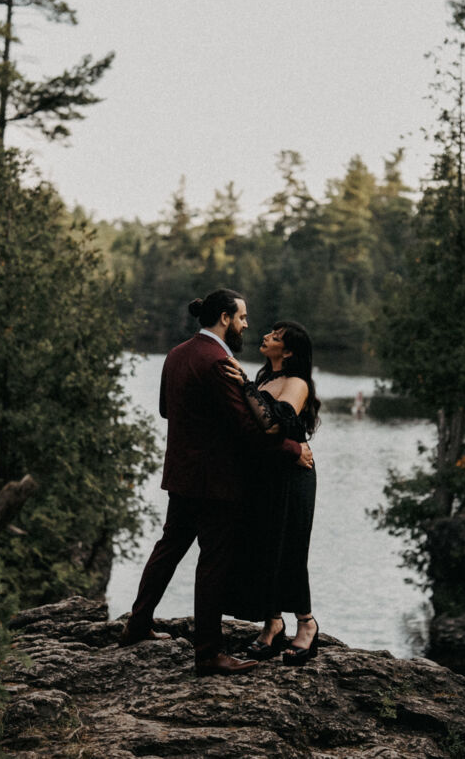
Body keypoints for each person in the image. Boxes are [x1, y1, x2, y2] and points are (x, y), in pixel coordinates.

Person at [118, 289, 314, 677]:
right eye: (241, 318)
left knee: (169, 548)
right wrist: (293, 449)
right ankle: (208, 653)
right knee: (213, 562)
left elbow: (165, 410)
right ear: (225, 318)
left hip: (182, 474)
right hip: (216, 480)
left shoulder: (177, 354)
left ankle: (137, 624)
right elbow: (249, 429)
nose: (245, 325)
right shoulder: (218, 361)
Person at [223, 321, 322, 666]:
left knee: (290, 548)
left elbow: (272, 423)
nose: (266, 337)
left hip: (292, 477)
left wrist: (244, 384)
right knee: (264, 547)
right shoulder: (264, 379)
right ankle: (273, 623)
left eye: (275, 337)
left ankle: (306, 624)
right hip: (264, 474)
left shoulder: (297, 383)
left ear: (289, 351)